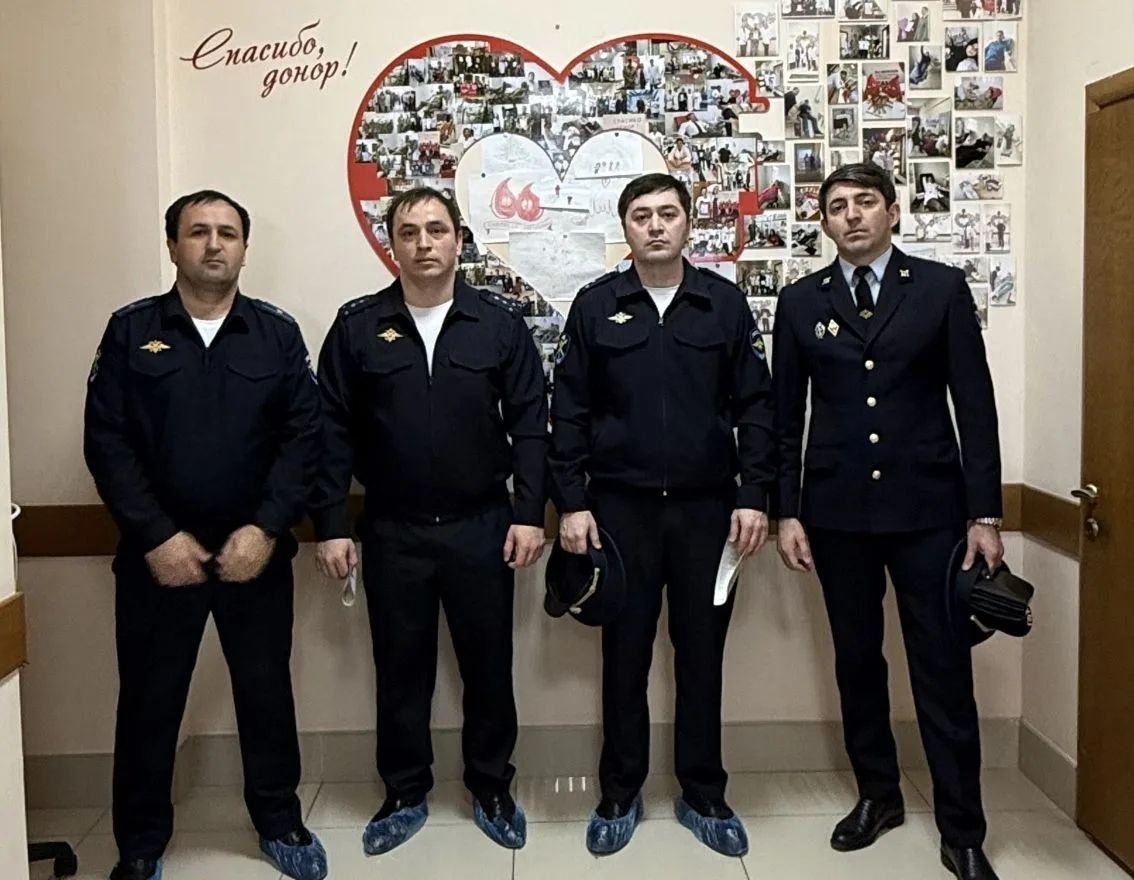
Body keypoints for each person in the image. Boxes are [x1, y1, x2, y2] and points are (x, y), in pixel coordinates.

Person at [771, 163, 1004, 880]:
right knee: (857, 663)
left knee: (942, 668)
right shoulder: (799, 301)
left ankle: (963, 829)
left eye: (865, 202)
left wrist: (984, 512)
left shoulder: (938, 288)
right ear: (824, 223)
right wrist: (786, 511)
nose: (851, 216)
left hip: (929, 514)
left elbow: (975, 403)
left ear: (893, 212)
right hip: (837, 515)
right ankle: (879, 795)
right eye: (837, 206)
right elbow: (786, 418)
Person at [84, 191, 326, 880]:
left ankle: (279, 823)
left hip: (255, 554)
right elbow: (107, 440)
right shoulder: (131, 331)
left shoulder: (276, 334)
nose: (214, 244)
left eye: (227, 233)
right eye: (198, 232)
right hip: (159, 559)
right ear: (173, 246)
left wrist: (267, 528)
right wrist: (156, 537)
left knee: (266, 694)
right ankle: (139, 846)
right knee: (149, 702)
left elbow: (303, 438)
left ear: (245, 248)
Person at [312, 187, 547, 856]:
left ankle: (491, 787)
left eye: (437, 230)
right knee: (399, 670)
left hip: (482, 526)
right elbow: (329, 432)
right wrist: (331, 523)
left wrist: (530, 514)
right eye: (409, 231)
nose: (424, 243)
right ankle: (404, 792)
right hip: (394, 530)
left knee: (489, 669)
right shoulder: (358, 327)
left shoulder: (498, 325)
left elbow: (531, 425)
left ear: (459, 240)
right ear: (392, 243)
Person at [549, 173, 775, 858]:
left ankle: (703, 793)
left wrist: (753, 495)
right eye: (641, 215)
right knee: (624, 657)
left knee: (702, 656)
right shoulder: (596, 306)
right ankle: (620, 793)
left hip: (709, 514)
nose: (655, 226)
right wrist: (572, 501)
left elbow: (756, 408)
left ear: (688, 224)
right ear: (626, 228)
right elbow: (569, 412)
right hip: (620, 513)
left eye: (668, 214)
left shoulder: (723, 304)